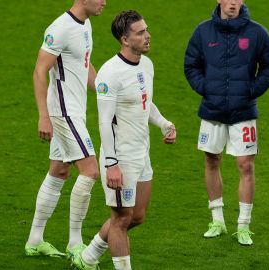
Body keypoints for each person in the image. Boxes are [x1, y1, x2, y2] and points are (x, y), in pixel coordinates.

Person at [71, 10, 176, 270]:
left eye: (146, 30)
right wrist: (111, 163)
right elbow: (104, 122)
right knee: (120, 220)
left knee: (136, 216)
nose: (147, 36)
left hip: (143, 153)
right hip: (121, 157)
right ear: (125, 40)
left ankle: (87, 258)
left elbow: (144, 102)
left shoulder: (146, 65)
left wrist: (163, 123)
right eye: (140, 33)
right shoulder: (110, 73)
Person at [184, 0, 269, 246]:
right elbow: (191, 65)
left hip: (244, 110)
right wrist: (206, 88)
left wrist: (251, 90)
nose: (234, 2)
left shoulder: (257, 33)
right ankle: (217, 221)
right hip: (212, 109)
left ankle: (244, 226)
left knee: (245, 165)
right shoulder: (202, 31)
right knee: (211, 159)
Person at [24, 0, 106, 259]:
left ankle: (35, 240)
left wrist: (106, 91)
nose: (105, 1)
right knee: (91, 171)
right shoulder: (60, 28)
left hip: (74, 110)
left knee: (59, 170)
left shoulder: (86, 24)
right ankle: (75, 244)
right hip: (63, 112)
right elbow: (39, 71)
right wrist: (43, 116)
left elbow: (84, 64)